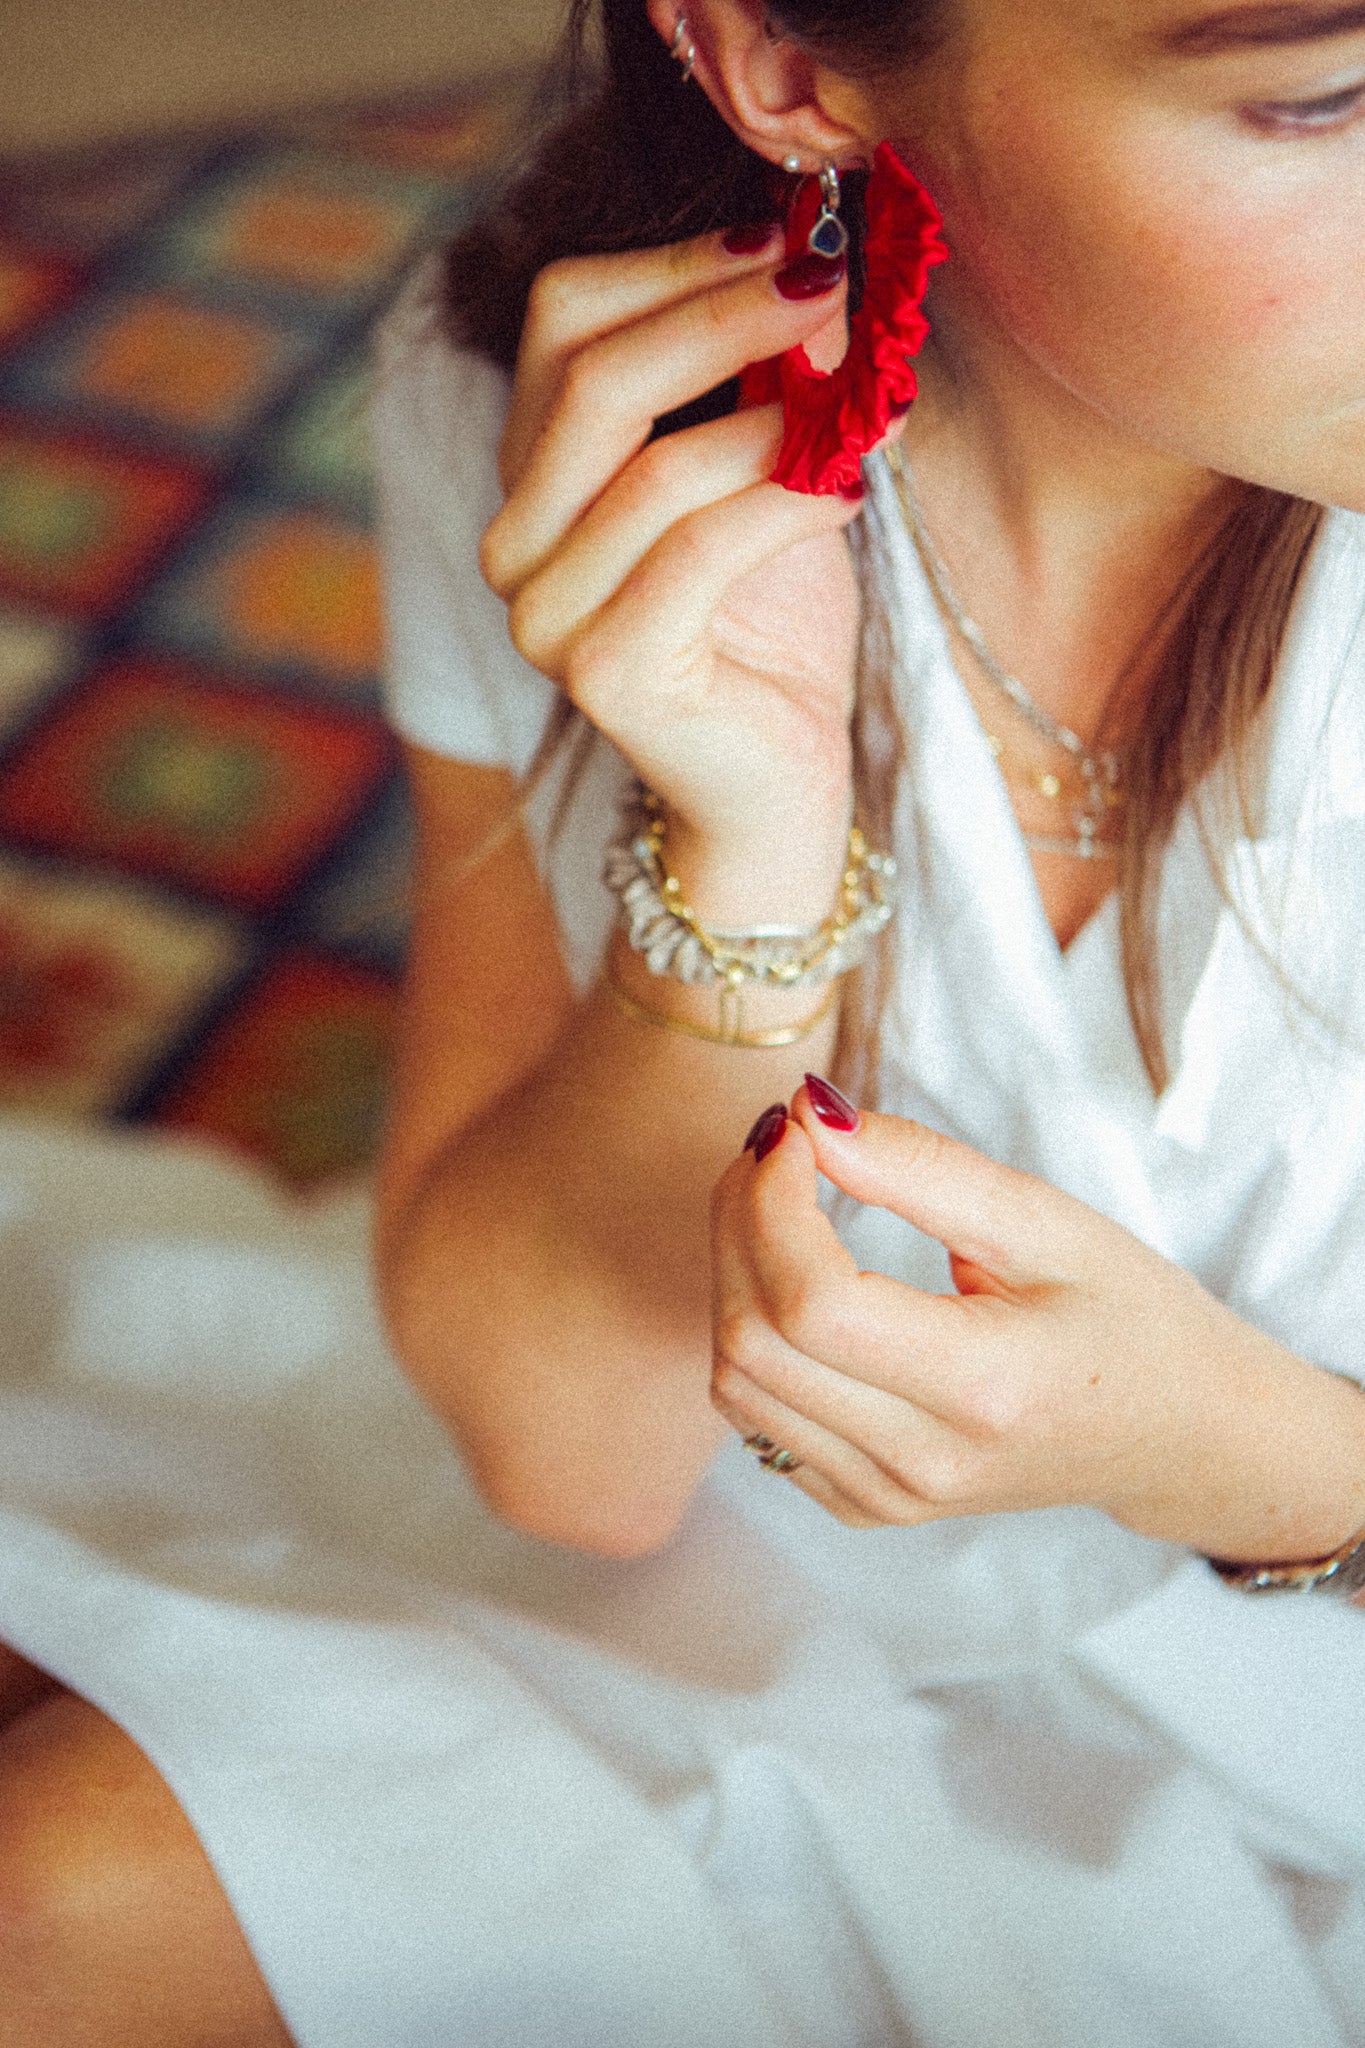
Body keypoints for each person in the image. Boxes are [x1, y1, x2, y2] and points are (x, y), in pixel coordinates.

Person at [1, 0, 1364, 2039]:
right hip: (756, 1602)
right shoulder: (586, 419)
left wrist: (1270, 1475)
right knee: (59, 1903)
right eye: (1326, 96)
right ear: (789, 61)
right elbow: (575, 1458)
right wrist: (737, 858)